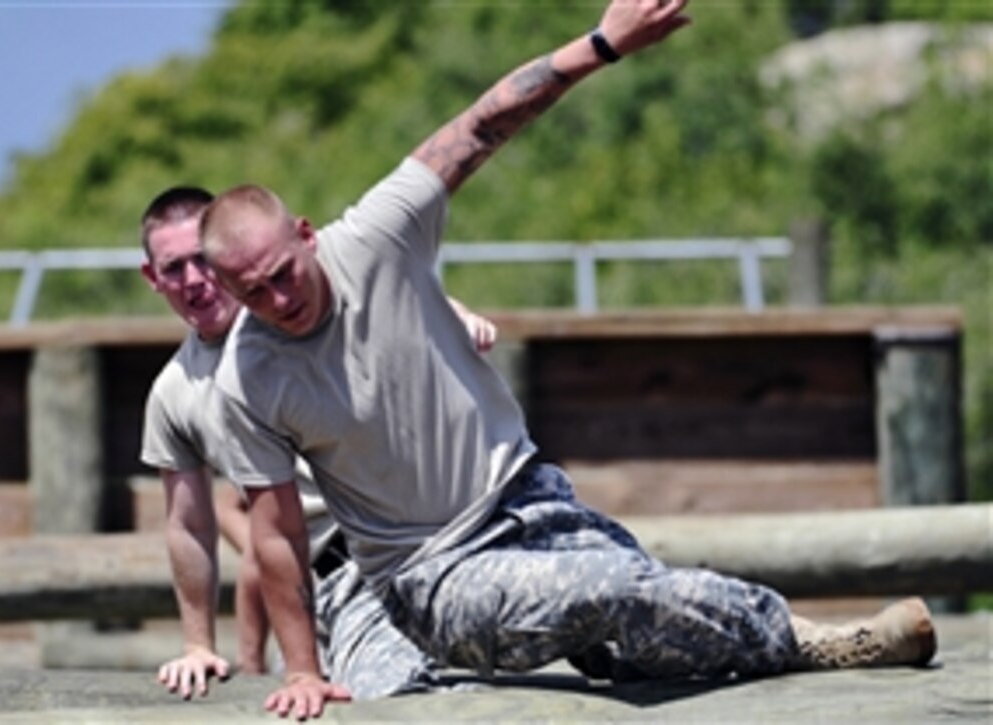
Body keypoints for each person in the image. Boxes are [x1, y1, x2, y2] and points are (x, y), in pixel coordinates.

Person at [199, 0, 937, 719]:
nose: (276, 298)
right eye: (251, 291)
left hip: (530, 501)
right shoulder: (251, 375)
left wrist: (603, 44)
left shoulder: (379, 233)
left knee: (648, 619)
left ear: (305, 235)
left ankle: (792, 639)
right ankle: (821, 641)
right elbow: (275, 535)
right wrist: (300, 668)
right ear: (227, 289)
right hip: (432, 573)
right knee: (602, 591)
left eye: (281, 273)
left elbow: (481, 124)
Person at [137, 185, 498, 700]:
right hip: (322, 594)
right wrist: (199, 645)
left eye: (202, 261)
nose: (193, 281)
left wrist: (450, 314)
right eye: (174, 268)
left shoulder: (300, 314)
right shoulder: (174, 394)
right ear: (153, 278)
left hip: (423, 545)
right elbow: (191, 524)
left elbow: (384, 289)